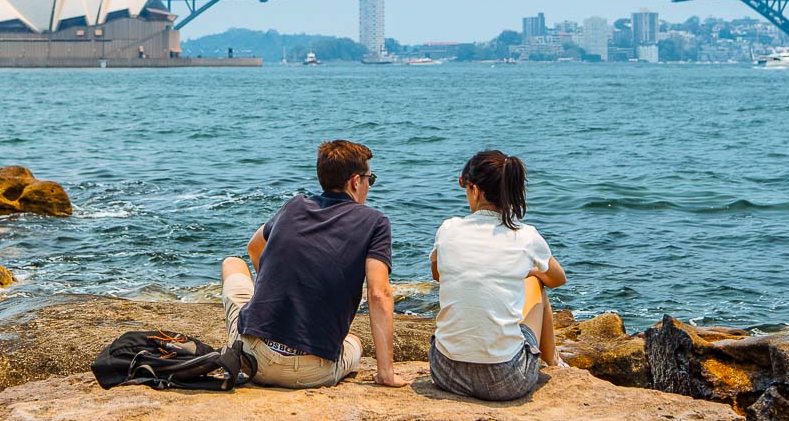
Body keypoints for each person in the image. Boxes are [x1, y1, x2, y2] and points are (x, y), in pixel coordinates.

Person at [220, 139, 409, 388]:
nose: (369, 186)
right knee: (354, 343)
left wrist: (274, 289)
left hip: (253, 359)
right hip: (310, 371)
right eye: (370, 180)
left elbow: (254, 247)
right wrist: (386, 373)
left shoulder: (295, 205)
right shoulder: (375, 222)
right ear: (355, 181)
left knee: (232, 263)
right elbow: (378, 293)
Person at [429, 149, 567, 401]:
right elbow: (558, 279)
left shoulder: (448, 228)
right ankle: (553, 361)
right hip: (506, 381)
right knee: (537, 282)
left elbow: (438, 274)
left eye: (464, 185)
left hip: (445, 372)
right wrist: (529, 270)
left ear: (475, 189)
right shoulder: (525, 235)